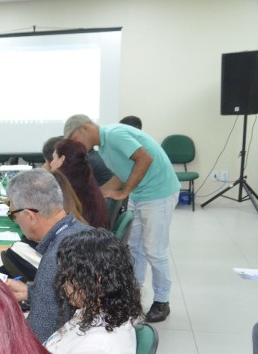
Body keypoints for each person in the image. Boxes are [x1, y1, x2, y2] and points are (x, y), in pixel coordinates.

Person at [65, 114, 180, 322]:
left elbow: (144, 158)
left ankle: (162, 301)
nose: (76, 145)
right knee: (134, 248)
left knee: (154, 250)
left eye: (75, 139)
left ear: (84, 128)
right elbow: (123, 173)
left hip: (158, 192)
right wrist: (98, 194)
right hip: (141, 193)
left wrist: (124, 192)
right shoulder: (104, 147)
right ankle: (132, 294)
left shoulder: (114, 134)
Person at [4, 169, 91, 342]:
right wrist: (31, 292)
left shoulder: (56, 257)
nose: (15, 220)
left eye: (13, 215)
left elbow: (36, 338)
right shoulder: (80, 230)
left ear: (30, 216)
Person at [45, 138, 109, 228]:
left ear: (62, 159)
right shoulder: (87, 180)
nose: (51, 163)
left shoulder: (64, 188)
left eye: (54, 158)